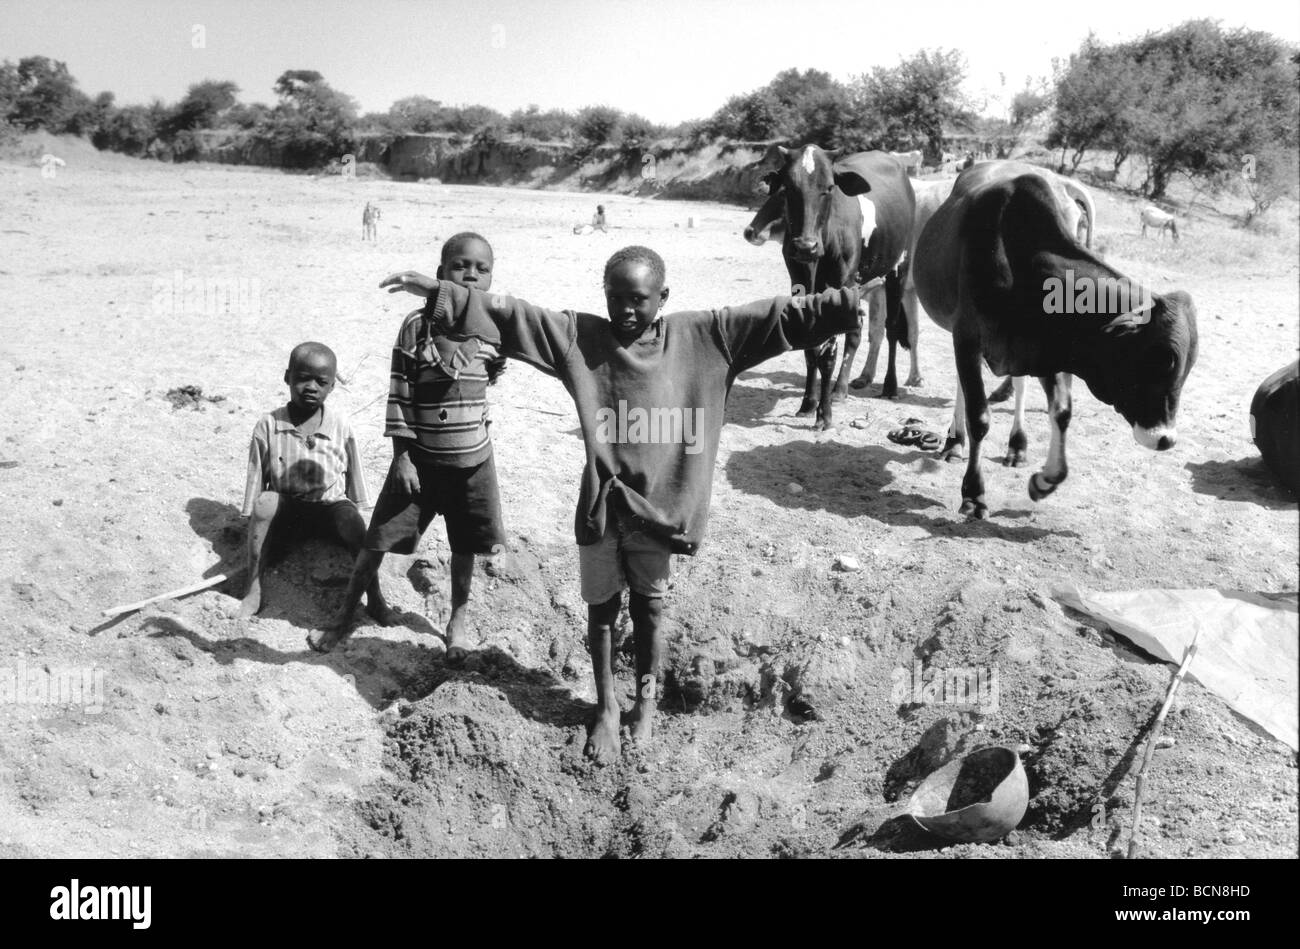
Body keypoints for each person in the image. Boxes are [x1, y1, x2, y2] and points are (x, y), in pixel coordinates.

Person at [378, 246, 862, 764]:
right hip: (603, 509)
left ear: (664, 297)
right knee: (602, 612)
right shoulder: (581, 340)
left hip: (660, 512)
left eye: (639, 300)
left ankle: (646, 705)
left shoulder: (706, 338)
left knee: (651, 610)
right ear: (603, 296)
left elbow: (778, 317)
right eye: (616, 299)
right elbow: (514, 316)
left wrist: (846, 301)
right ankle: (606, 706)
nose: (627, 311)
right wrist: (441, 293)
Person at [309, 233, 507, 658]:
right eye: (459, 266)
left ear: (492, 279)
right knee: (378, 539)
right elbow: (399, 392)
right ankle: (345, 615)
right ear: (440, 276)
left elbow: (493, 375)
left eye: (482, 269)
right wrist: (403, 456)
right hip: (420, 461)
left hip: (473, 462)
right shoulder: (417, 326)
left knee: (465, 544)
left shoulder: (494, 330)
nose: (471, 274)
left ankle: (458, 619)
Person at [240, 342, 384, 621]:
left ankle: (376, 597)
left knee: (352, 521)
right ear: (287, 377)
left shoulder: (341, 424)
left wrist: (356, 512)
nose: (311, 387)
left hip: (329, 509)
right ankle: (253, 587)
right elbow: (256, 480)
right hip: (288, 512)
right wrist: (254, 516)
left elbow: (355, 474)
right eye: (303, 378)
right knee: (265, 502)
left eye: (321, 382)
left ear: (332, 387)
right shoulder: (268, 425)